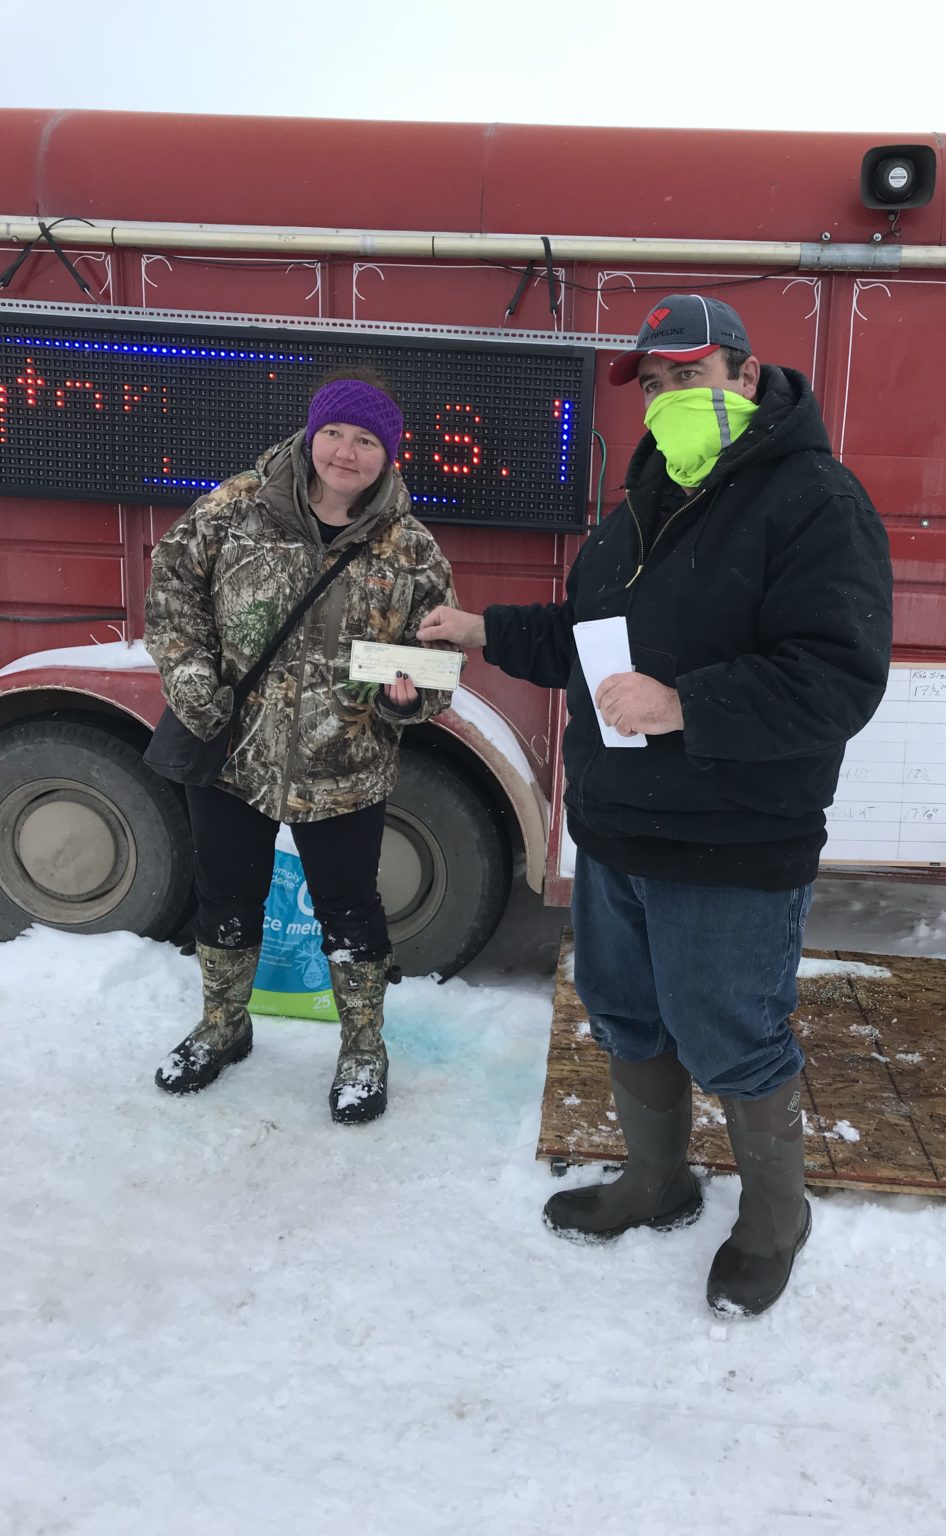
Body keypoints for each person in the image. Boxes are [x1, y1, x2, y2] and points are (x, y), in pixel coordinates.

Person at [418, 294, 893, 1314]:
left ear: (746, 375)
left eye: (690, 373)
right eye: (656, 382)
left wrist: (686, 705)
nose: (670, 394)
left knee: (731, 1034)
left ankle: (776, 1220)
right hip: (617, 829)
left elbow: (838, 678)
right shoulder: (643, 501)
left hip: (732, 840)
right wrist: (481, 628)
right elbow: (588, 639)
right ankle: (657, 1181)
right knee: (625, 1014)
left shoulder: (815, 500)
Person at [145, 371, 456, 1124]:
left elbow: (439, 659)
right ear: (312, 433)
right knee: (225, 896)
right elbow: (172, 591)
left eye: (367, 440)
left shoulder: (411, 548)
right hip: (234, 754)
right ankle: (223, 1025)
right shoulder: (235, 507)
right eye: (335, 433)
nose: (346, 452)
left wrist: (406, 698)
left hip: (345, 765)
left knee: (350, 910)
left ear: (388, 454)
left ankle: (363, 1049)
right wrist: (191, 681)